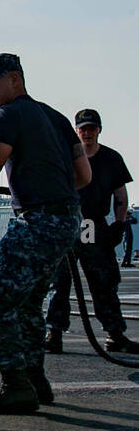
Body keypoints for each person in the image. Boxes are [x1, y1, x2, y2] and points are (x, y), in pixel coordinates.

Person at [0, 54, 90, 414]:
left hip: (37, 219)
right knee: (27, 302)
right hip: (66, 219)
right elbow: (83, 177)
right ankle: (34, 380)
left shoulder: (9, 116)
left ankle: (14, 385)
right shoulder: (56, 118)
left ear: (15, 79)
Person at [44, 109, 138, 354]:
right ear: (77, 130)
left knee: (104, 281)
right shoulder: (64, 156)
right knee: (60, 281)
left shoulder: (111, 159)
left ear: (99, 130)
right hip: (67, 223)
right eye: (83, 128)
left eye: (92, 128)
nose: (87, 132)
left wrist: (119, 224)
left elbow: (120, 194)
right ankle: (53, 332)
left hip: (93, 225)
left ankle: (114, 334)